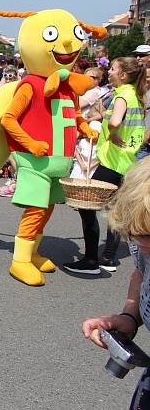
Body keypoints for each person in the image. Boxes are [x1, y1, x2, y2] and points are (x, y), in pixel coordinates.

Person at [65, 57, 147, 274]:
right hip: (127, 162)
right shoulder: (136, 96)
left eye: (112, 69)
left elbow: (114, 122)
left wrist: (112, 133)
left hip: (113, 162)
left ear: (123, 75)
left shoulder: (122, 95)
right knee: (115, 210)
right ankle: (109, 257)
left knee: (86, 204)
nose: (108, 72)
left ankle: (91, 260)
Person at [81, 158, 150, 408]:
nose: (143, 246)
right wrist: (130, 316)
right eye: (136, 234)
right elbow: (140, 274)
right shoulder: (143, 244)